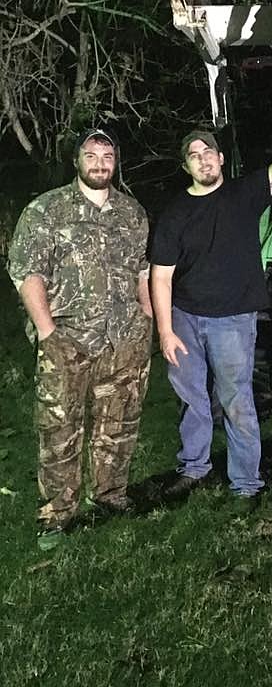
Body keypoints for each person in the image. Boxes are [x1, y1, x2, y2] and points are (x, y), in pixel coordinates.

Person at [150, 112, 272, 502]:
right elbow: (160, 277)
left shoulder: (244, 194)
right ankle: (193, 466)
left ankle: (245, 482)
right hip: (185, 320)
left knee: (237, 401)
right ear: (186, 166)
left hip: (233, 320)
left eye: (208, 151)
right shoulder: (175, 212)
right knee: (191, 399)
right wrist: (165, 331)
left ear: (221, 158)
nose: (203, 159)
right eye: (194, 155)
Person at [8, 127, 153, 548]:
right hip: (66, 339)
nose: (100, 163)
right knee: (59, 428)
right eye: (91, 155)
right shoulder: (46, 211)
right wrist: (48, 332)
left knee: (119, 423)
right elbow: (26, 273)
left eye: (107, 156)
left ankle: (110, 494)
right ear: (77, 161)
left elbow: (142, 269)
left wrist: (145, 319)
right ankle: (57, 511)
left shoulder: (132, 213)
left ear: (116, 162)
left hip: (123, 339)